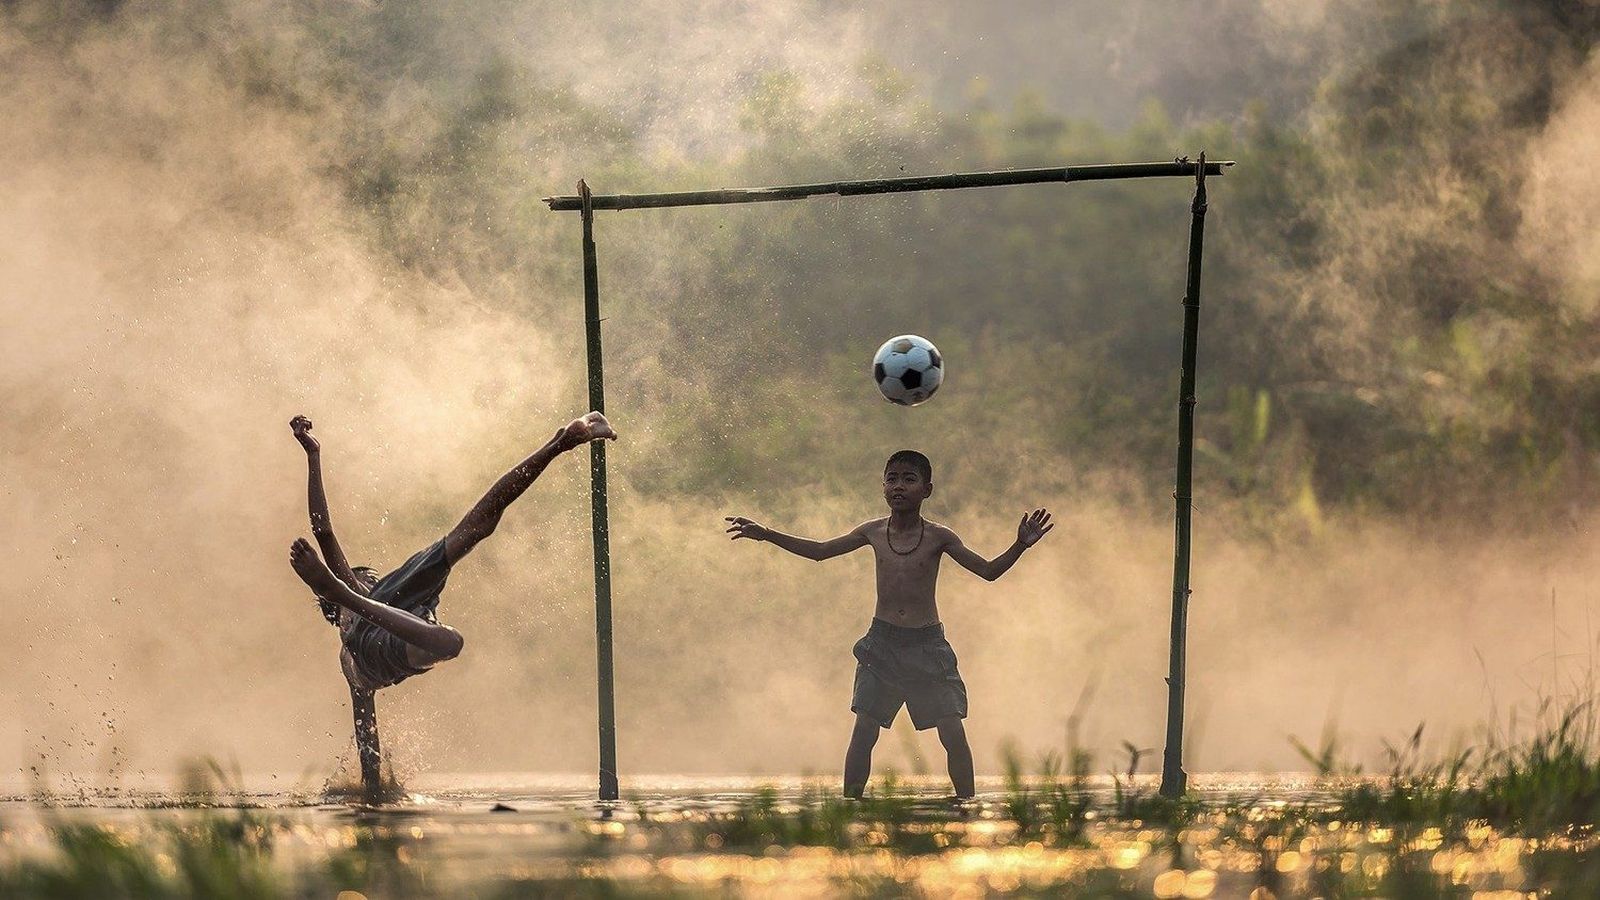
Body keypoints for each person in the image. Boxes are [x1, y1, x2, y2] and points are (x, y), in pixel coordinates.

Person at [724, 449, 1052, 799]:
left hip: (927, 647)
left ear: (927, 489)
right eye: (892, 479)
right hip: (882, 645)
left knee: (952, 731)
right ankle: (849, 807)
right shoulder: (873, 532)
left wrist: (1020, 545)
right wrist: (767, 534)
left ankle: (966, 805)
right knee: (864, 729)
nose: (899, 486)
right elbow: (820, 551)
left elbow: (988, 571)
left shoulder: (940, 537)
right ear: (883, 486)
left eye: (909, 479)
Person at [287, 411, 617, 693]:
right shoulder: (362, 619)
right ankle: (560, 443)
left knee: (450, 638)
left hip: (384, 627)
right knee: (470, 532)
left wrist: (314, 456)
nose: (368, 579)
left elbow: (324, 532)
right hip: (395, 621)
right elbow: (322, 532)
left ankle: (561, 442)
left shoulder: (360, 618)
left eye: (365, 581)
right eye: (363, 580)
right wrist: (312, 455)